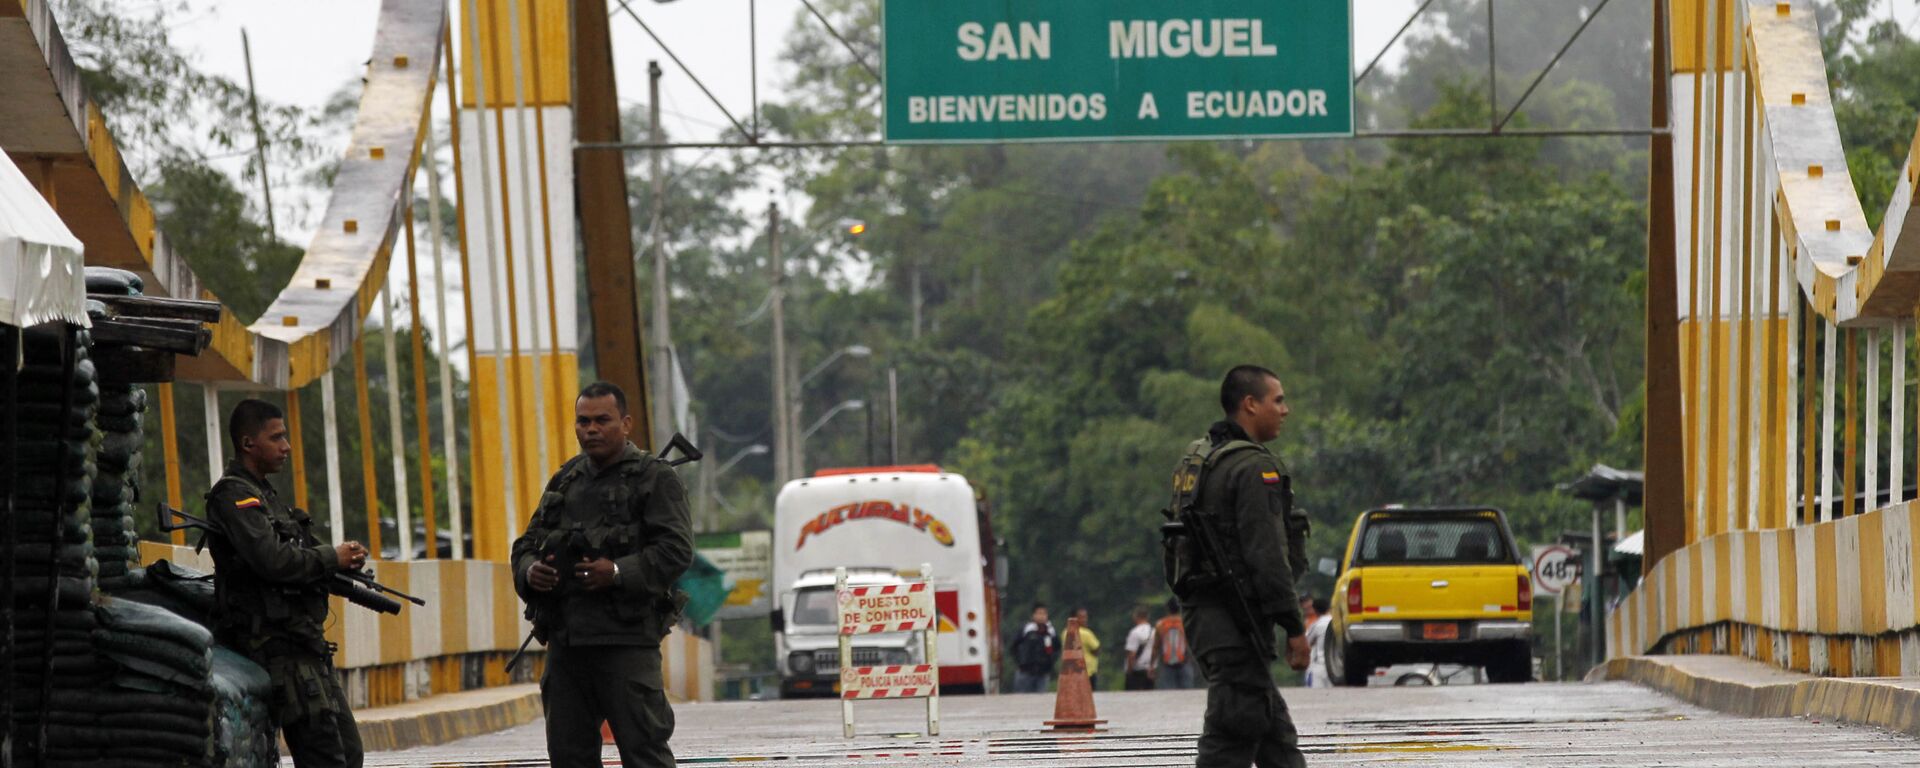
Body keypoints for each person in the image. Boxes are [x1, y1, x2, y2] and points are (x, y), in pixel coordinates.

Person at [512, 382, 694, 768]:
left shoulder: (655, 478)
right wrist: (532, 572)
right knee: (568, 755)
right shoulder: (565, 481)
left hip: (625, 643)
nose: (591, 429)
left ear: (625, 424)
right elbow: (525, 544)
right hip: (567, 644)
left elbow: (676, 550)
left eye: (602, 420)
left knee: (644, 752)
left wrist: (615, 572)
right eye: (583, 421)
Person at [204, 399, 367, 768]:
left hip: (305, 644)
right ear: (248, 444)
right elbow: (272, 560)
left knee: (349, 751)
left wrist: (344, 560)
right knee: (325, 755)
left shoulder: (266, 496)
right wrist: (330, 557)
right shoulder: (234, 495)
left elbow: (298, 554)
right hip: (276, 647)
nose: (286, 446)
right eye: (276, 437)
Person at [1164, 365, 1312, 768]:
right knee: (1231, 733)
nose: (1285, 409)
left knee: (1275, 738)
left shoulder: (1202, 458)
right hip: (1234, 623)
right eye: (1277, 400)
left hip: (1207, 617)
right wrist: (1294, 627)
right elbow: (1267, 557)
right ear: (1250, 404)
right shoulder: (1251, 467)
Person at [1010, 603, 1057, 693]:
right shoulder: (1026, 629)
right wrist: (1020, 662)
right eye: (1039, 613)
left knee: (1040, 700)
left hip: (1043, 673)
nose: (1041, 616)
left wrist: (1050, 663)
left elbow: (1056, 649)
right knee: (1022, 700)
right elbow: (1014, 646)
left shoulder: (1051, 632)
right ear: (1033, 615)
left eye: (1044, 614)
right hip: (1025, 672)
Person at [1153, 597, 1197, 690]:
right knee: (1187, 694)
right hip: (1184, 662)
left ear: (1167, 609)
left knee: (1168, 694)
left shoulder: (1160, 624)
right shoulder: (1186, 622)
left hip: (1166, 664)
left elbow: (1156, 647)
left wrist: (1152, 665)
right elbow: (1193, 644)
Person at [1122, 605, 1155, 690]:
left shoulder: (1135, 632)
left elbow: (1132, 655)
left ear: (1136, 616)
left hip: (1137, 671)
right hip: (1150, 670)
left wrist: (1129, 671)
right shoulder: (1154, 631)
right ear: (1148, 617)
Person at [1302, 597, 1332, 689]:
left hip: (1319, 666)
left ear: (1315, 610)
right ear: (1329, 608)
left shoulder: (1316, 625)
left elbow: (1306, 643)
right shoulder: (1336, 623)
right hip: (1334, 668)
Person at [1073, 607, 1101, 689]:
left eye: (1085, 617)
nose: (1084, 620)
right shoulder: (1086, 633)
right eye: (1081, 617)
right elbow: (1097, 649)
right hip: (1088, 671)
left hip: (1072, 671)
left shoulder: (1066, 632)